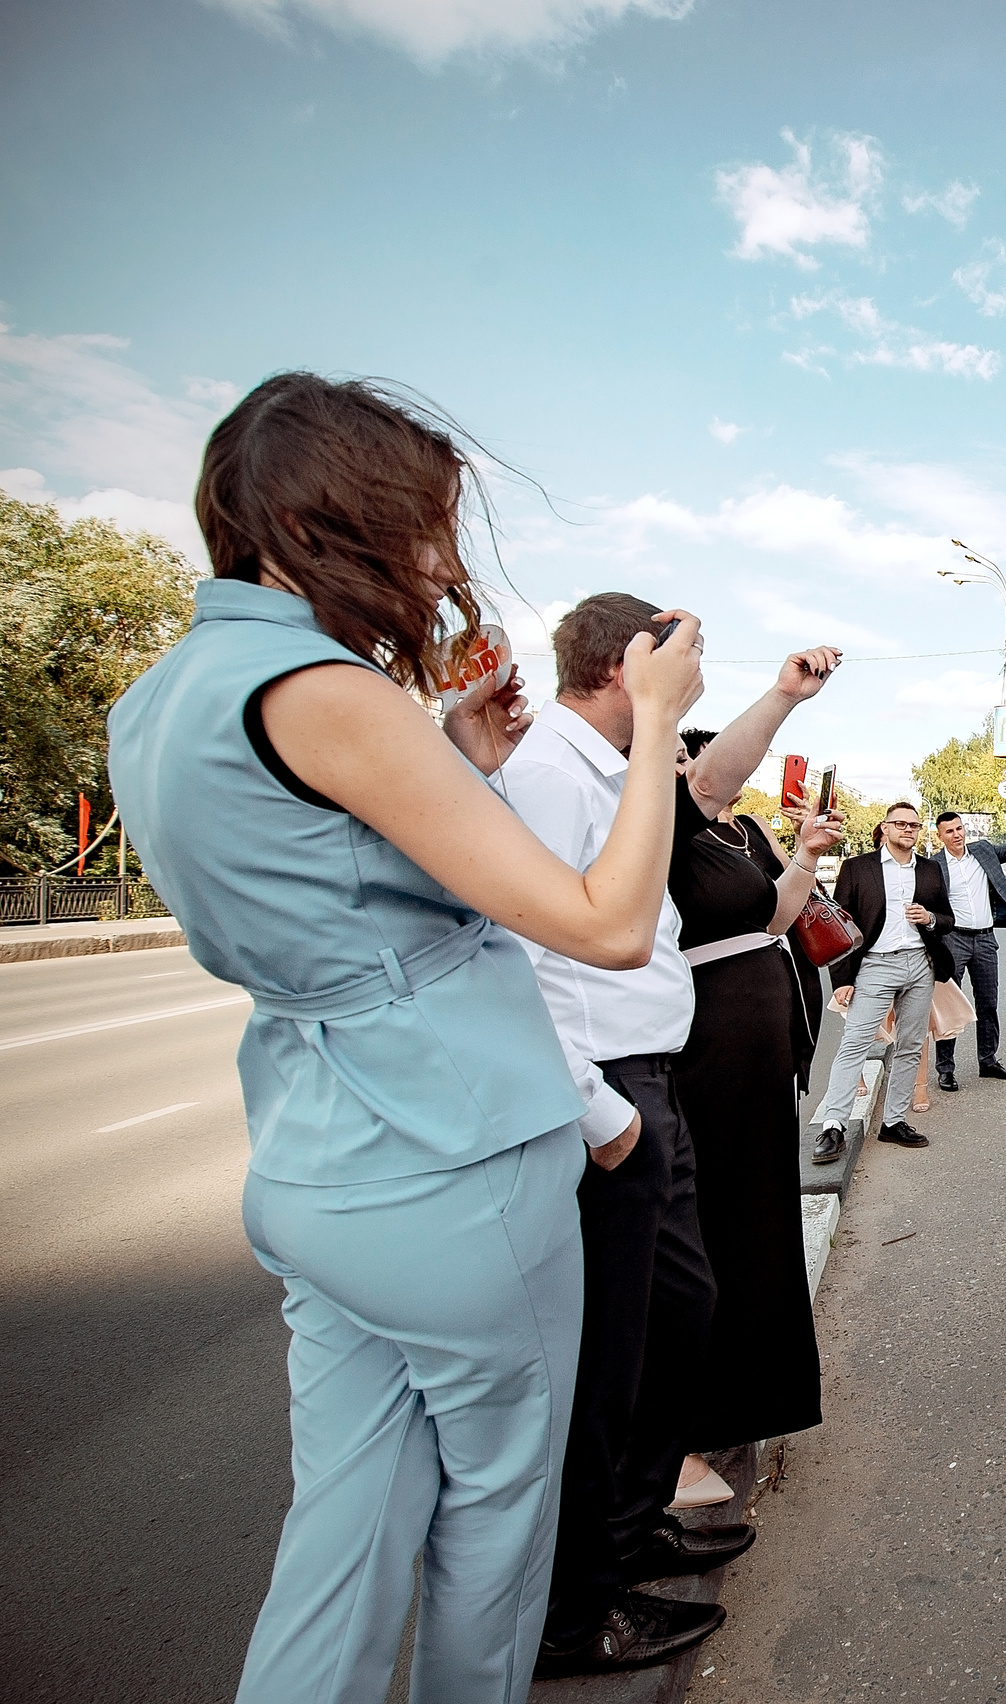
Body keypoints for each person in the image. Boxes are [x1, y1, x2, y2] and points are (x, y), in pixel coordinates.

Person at [105, 372, 707, 1703]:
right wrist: (658, 721)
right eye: (424, 524)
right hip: (456, 1162)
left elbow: (318, 881)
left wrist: (451, 762)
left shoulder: (162, 696)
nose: (441, 563)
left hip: (318, 1159)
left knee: (342, 1535)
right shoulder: (327, 689)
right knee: (496, 1514)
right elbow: (605, 923)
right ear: (345, 516)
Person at [498, 601, 838, 1676]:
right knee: (613, 1359)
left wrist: (781, 696)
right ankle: (574, 1610)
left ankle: (626, 1531)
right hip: (610, 1097)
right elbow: (505, 958)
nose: (697, 678)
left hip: (648, 1086)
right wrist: (599, 1109)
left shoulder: (615, 762)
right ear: (627, 664)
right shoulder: (552, 773)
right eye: (686, 657)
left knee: (675, 1322)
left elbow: (707, 787)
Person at [669, 728, 843, 1468]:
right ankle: (694, 1422)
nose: (688, 774)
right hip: (703, 1046)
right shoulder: (656, 830)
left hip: (760, 1045)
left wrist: (802, 852)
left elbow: (775, 919)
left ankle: (756, 1392)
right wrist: (786, 694)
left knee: (759, 1212)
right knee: (714, 1217)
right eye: (677, 761)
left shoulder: (734, 835)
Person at [812, 802, 952, 1152]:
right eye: (900, 823)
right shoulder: (858, 868)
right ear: (885, 828)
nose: (908, 830)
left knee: (911, 1045)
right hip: (875, 965)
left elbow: (948, 919)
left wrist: (929, 918)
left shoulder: (931, 870)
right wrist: (843, 979)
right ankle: (833, 1126)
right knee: (855, 1043)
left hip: (920, 964)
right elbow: (839, 927)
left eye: (914, 825)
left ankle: (894, 1122)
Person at [926, 801, 1006, 1092]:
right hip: (953, 939)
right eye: (949, 831)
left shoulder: (984, 851)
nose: (956, 834)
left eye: (959, 828)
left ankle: (987, 1061)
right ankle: (945, 1069)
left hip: (986, 939)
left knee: (988, 1003)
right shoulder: (933, 866)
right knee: (950, 1005)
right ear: (940, 836)